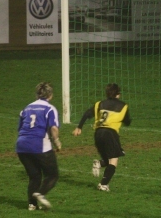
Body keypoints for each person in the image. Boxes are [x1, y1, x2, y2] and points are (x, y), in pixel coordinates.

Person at [72, 83, 131, 192]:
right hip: (110, 133)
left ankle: (99, 163)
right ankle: (103, 184)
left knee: (108, 159)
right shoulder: (123, 106)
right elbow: (127, 122)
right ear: (118, 94)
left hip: (98, 133)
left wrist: (79, 127)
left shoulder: (99, 104)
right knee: (114, 160)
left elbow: (87, 114)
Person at [16, 82, 61, 211]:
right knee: (53, 175)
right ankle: (40, 194)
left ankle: (32, 204)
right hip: (39, 145)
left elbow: (20, 128)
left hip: (21, 145)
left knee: (34, 176)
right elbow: (53, 127)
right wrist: (57, 142)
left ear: (37, 95)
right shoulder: (50, 108)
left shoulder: (26, 108)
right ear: (50, 95)